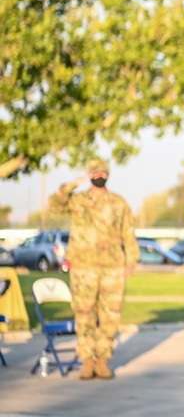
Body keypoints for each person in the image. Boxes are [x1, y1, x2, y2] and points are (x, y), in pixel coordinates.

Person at [49, 159, 139, 380]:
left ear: (108, 174)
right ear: (89, 175)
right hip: (83, 267)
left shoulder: (119, 203)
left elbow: (128, 231)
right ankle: (87, 361)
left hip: (112, 268)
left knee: (111, 316)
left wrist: (131, 261)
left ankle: (103, 361)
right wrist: (75, 183)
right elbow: (55, 203)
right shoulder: (78, 200)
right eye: (95, 172)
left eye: (103, 172)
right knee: (84, 314)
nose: (100, 175)